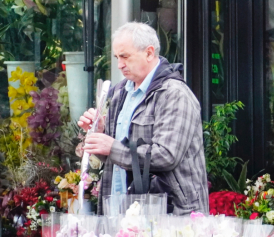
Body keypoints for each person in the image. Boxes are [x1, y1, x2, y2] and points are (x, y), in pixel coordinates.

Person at [78, 22, 208, 215]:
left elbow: (166, 156)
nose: (120, 64)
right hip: (121, 211)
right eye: (117, 57)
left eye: (125, 56)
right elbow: (116, 157)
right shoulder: (120, 92)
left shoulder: (174, 94)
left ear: (149, 53)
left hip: (172, 216)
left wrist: (111, 146)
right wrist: (100, 133)